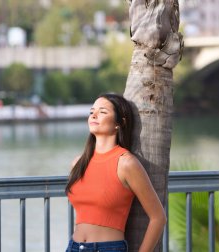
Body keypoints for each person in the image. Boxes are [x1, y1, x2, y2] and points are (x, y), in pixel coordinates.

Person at [65, 93, 166, 252]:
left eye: (103, 112)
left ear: (119, 123)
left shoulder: (126, 163)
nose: (94, 115)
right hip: (74, 247)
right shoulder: (78, 163)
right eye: (92, 112)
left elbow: (158, 217)